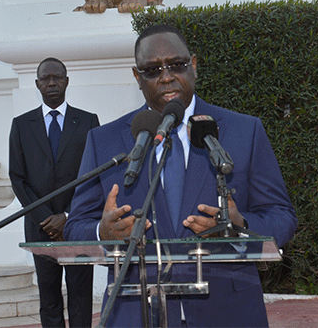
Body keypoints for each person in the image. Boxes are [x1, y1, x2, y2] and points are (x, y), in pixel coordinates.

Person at [64, 25, 297, 327]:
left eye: (176, 65)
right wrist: (102, 233)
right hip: (137, 312)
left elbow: (282, 216)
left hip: (227, 311)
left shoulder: (244, 131)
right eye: (152, 69)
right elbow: (75, 228)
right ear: (137, 77)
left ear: (194, 65)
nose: (166, 76)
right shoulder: (104, 141)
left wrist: (241, 226)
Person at [9, 57, 99, 327]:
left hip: (79, 225)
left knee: (81, 297)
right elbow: (18, 178)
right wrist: (45, 219)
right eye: (45, 78)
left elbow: (95, 175)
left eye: (57, 77)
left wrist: (69, 215)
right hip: (40, 228)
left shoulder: (87, 121)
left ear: (67, 81)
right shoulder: (22, 125)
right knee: (49, 297)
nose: (51, 83)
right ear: (37, 84)